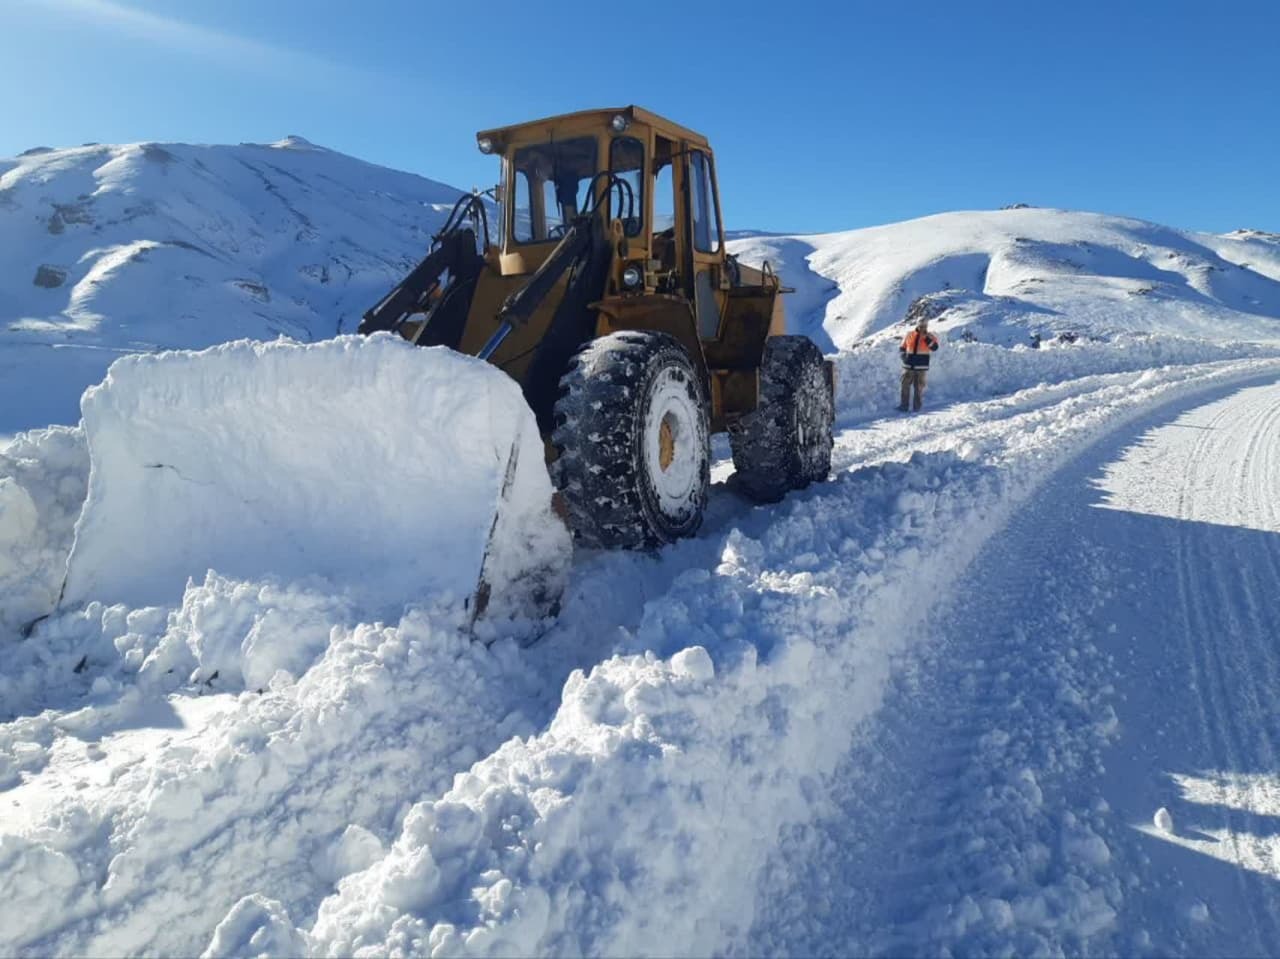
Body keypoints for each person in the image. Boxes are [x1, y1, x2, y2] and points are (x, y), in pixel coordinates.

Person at [898, 318, 940, 411]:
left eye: (924, 326)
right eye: (921, 325)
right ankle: (904, 406)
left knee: (919, 388)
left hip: (921, 367)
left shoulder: (930, 336)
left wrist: (926, 338)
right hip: (908, 366)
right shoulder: (909, 334)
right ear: (917, 325)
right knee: (904, 385)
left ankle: (917, 408)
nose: (922, 328)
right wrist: (903, 356)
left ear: (927, 326)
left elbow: (934, 347)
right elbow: (902, 347)